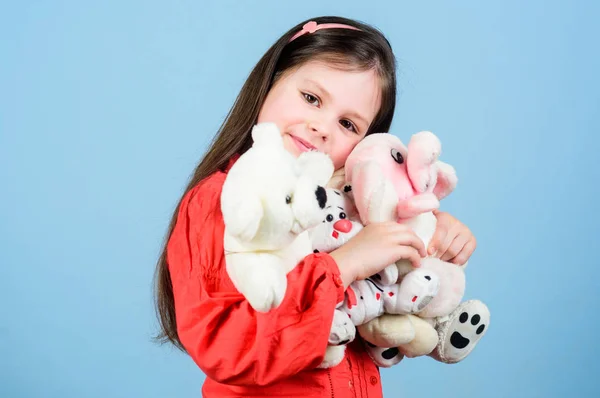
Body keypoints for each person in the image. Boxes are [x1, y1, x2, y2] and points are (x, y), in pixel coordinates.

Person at [154, 16, 477, 397]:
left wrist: (431, 234)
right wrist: (344, 265)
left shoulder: (351, 213)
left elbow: (389, 300)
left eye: (348, 124)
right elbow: (224, 346)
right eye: (311, 98)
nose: (323, 127)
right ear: (270, 81)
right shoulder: (223, 201)